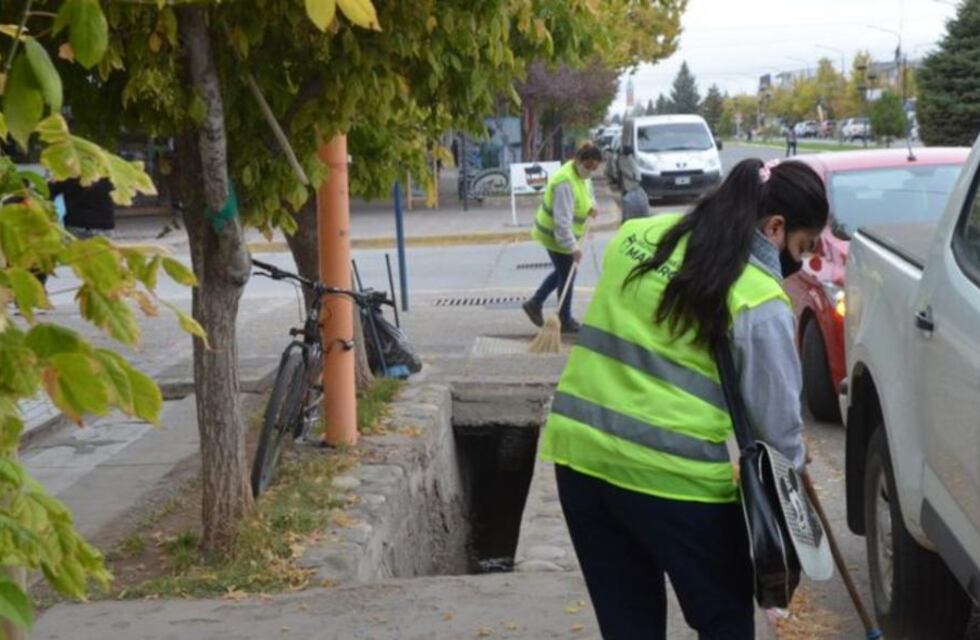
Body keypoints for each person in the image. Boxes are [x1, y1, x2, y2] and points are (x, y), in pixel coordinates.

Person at [538, 158, 828, 639]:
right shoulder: (757, 296)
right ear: (775, 228)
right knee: (725, 621)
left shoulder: (639, 236)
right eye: (802, 247)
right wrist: (797, 466)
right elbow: (777, 433)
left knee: (628, 626)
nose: (800, 262)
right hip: (674, 480)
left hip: (580, 460)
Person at [522, 144, 602, 333]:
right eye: (588, 167)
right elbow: (562, 223)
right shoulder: (564, 182)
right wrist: (573, 248)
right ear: (578, 161)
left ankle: (535, 303)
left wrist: (593, 206)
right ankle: (564, 319)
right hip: (555, 235)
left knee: (563, 272)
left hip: (565, 234)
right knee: (567, 274)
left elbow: (588, 192)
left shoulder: (582, 176)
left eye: (594, 168)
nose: (590, 172)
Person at [50, 177, 116, 239]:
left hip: (77, 222)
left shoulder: (73, 173)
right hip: (104, 223)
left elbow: (53, 189)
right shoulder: (106, 172)